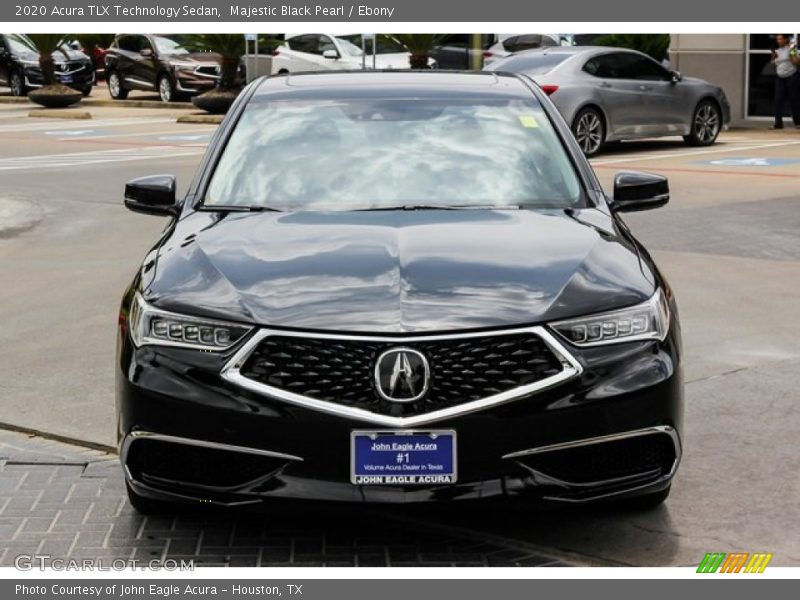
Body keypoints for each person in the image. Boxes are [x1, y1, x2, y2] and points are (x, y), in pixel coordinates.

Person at [770, 34, 800, 129]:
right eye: (777, 39)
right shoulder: (777, 50)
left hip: (792, 76)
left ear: (786, 39)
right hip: (780, 78)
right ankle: (778, 123)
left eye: (780, 39)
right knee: (778, 101)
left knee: (794, 100)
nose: (778, 41)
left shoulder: (792, 49)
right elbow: (773, 63)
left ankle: (798, 123)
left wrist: (792, 51)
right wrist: (773, 57)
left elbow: (796, 62)